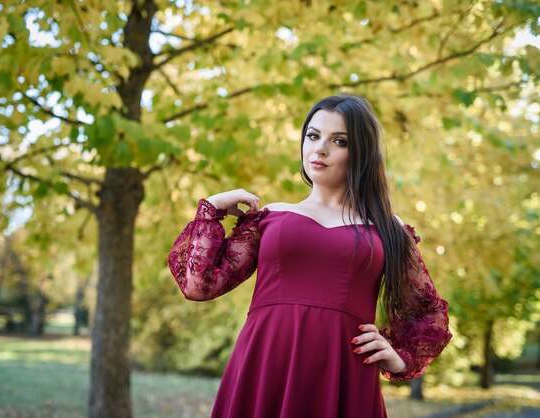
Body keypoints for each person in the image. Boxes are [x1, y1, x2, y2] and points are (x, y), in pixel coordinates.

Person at [168, 95, 452, 417]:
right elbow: (200, 285)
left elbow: (428, 313)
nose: (319, 149)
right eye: (313, 136)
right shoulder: (271, 216)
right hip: (264, 366)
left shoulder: (388, 229)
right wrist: (213, 208)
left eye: (339, 141)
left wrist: (399, 356)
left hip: (343, 373)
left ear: (360, 153)